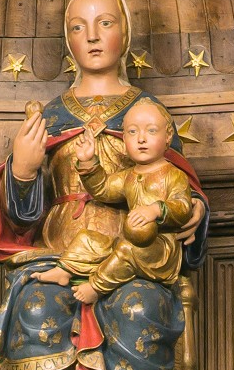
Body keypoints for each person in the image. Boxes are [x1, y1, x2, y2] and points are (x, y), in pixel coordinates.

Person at [0, 0, 208, 370]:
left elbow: (177, 184)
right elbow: (22, 218)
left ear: (125, 33)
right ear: (67, 40)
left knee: (138, 306)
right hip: (62, 246)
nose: (93, 36)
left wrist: (193, 213)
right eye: (79, 27)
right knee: (37, 304)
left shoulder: (147, 116)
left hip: (131, 251)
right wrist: (22, 171)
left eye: (106, 23)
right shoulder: (52, 116)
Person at [33, 98, 193, 304]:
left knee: (128, 251)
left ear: (168, 136)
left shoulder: (173, 175)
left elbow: (183, 207)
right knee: (88, 239)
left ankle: (96, 287)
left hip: (160, 248)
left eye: (151, 131)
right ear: (124, 139)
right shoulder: (129, 175)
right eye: (133, 132)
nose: (141, 139)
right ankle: (65, 269)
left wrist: (156, 210)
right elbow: (104, 189)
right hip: (129, 239)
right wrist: (88, 161)